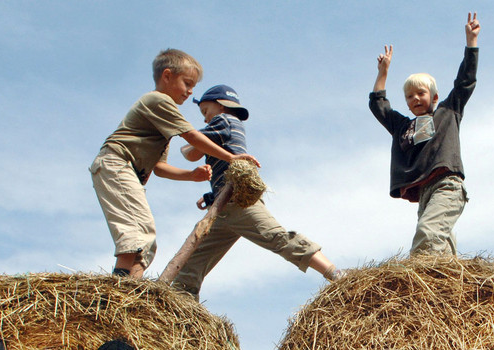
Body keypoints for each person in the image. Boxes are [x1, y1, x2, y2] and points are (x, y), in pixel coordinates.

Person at [90, 48, 259, 279]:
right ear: (167, 76)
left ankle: (133, 289)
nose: (190, 92)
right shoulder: (157, 100)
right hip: (116, 163)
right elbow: (191, 135)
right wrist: (231, 157)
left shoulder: (162, 126)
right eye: (187, 84)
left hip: (126, 171)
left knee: (147, 238)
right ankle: (116, 289)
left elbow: (159, 168)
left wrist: (191, 175)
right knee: (135, 230)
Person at [170, 85, 342, 298]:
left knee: (277, 237)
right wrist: (210, 197)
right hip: (223, 208)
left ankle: (335, 273)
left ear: (221, 106)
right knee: (192, 263)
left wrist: (180, 139)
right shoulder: (230, 125)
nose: (205, 119)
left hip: (237, 202)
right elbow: (222, 163)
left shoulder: (223, 120)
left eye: (205, 112)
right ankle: (182, 308)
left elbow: (191, 152)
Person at [368, 12, 480, 256]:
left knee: (428, 234)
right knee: (443, 252)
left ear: (434, 97)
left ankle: (413, 284)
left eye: (421, 93)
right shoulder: (403, 127)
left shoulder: (448, 112)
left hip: (447, 185)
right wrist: (383, 73)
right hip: (425, 192)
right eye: (409, 96)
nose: (415, 99)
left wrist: (471, 43)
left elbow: (465, 81)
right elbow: (379, 106)